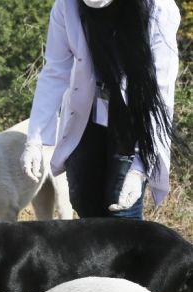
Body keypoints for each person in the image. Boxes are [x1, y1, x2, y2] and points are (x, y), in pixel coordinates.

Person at [20, 0, 180, 219]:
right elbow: (55, 71)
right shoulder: (67, 6)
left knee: (122, 211)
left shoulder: (159, 8)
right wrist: (35, 140)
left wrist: (141, 167)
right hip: (86, 115)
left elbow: (160, 91)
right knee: (84, 203)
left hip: (131, 120)